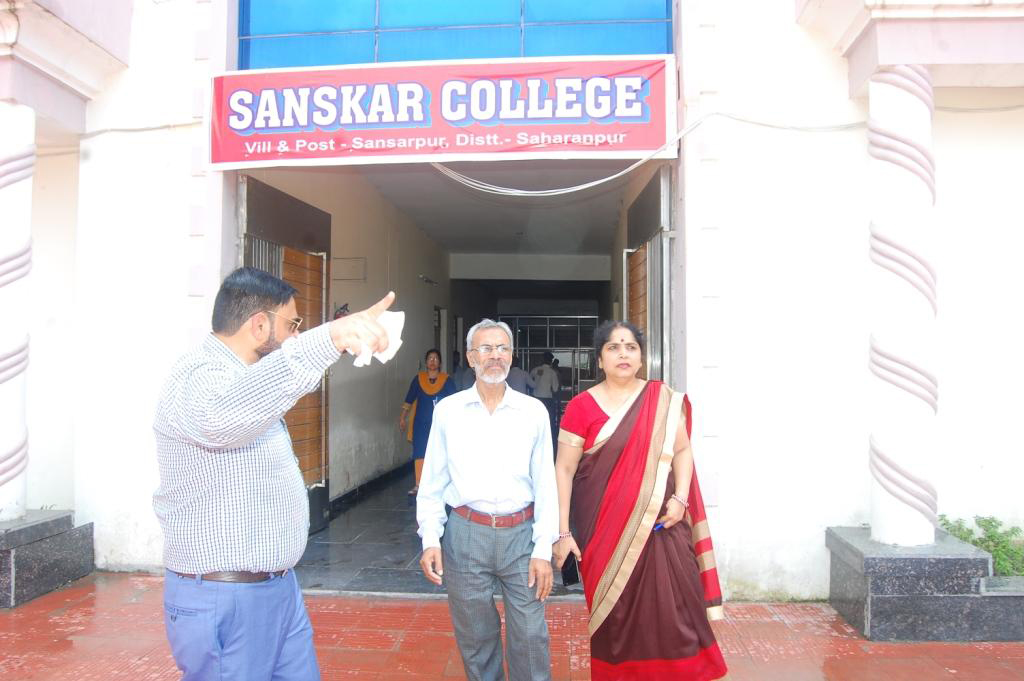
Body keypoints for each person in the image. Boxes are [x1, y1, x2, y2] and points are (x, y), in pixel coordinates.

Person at [153, 267, 395, 681]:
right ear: (259, 325)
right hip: (227, 597)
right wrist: (330, 337)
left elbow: (258, 394)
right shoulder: (200, 376)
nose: (296, 335)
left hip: (276, 589)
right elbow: (220, 418)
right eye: (293, 325)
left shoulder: (244, 380)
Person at [552, 321, 728, 681]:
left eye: (631, 347)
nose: (623, 354)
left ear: (642, 357)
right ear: (599, 359)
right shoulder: (581, 407)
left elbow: (682, 450)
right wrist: (563, 532)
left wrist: (681, 498)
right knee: (616, 615)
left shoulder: (661, 399)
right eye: (613, 347)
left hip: (663, 524)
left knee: (677, 608)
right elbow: (564, 470)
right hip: (602, 532)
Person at [417, 319, 558, 681]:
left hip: (522, 535)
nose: (495, 356)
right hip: (466, 534)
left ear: (511, 355)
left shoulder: (533, 412)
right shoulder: (449, 410)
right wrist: (430, 538)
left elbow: (546, 483)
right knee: (476, 637)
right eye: (486, 348)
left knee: (530, 635)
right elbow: (432, 479)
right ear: (471, 357)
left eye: (502, 348)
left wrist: (544, 548)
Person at [399, 348, 457, 495]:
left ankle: (440, 484)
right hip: (421, 423)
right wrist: (402, 417)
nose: (433, 361)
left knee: (441, 452)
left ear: (440, 363)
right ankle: (419, 484)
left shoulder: (447, 381)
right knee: (420, 452)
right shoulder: (418, 380)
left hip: (440, 424)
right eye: (430, 358)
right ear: (426, 362)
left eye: (436, 359)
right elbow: (409, 399)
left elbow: (455, 402)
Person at [530, 351, 560, 441]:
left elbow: (530, 381)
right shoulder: (552, 372)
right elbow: (555, 389)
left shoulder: (535, 370)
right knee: (549, 420)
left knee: (535, 420)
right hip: (548, 400)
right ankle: (548, 438)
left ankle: (536, 436)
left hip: (536, 399)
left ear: (542, 359)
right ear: (551, 361)